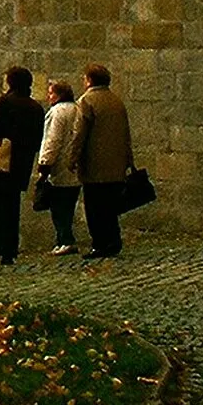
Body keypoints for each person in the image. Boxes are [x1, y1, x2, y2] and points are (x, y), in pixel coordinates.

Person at [0, 65, 46, 266]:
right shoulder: (35, 107)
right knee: (12, 208)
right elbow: (37, 138)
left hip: (0, 161)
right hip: (21, 163)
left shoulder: (2, 102)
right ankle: (8, 251)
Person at [70, 62, 134, 260]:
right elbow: (125, 133)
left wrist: (72, 158)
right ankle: (113, 241)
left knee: (95, 207)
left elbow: (80, 133)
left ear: (89, 80)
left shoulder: (87, 101)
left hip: (95, 164)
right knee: (110, 207)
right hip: (116, 165)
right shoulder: (116, 101)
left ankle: (100, 243)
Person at [34, 79, 83, 255]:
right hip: (76, 166)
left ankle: (65, 239)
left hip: (60, 166)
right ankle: (64, 238)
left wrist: (45, 162)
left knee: (59, 207)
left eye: (51, 93)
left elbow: (52, 139)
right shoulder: (78, 109)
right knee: (69, 204)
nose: (49, 96)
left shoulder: (57, 112)